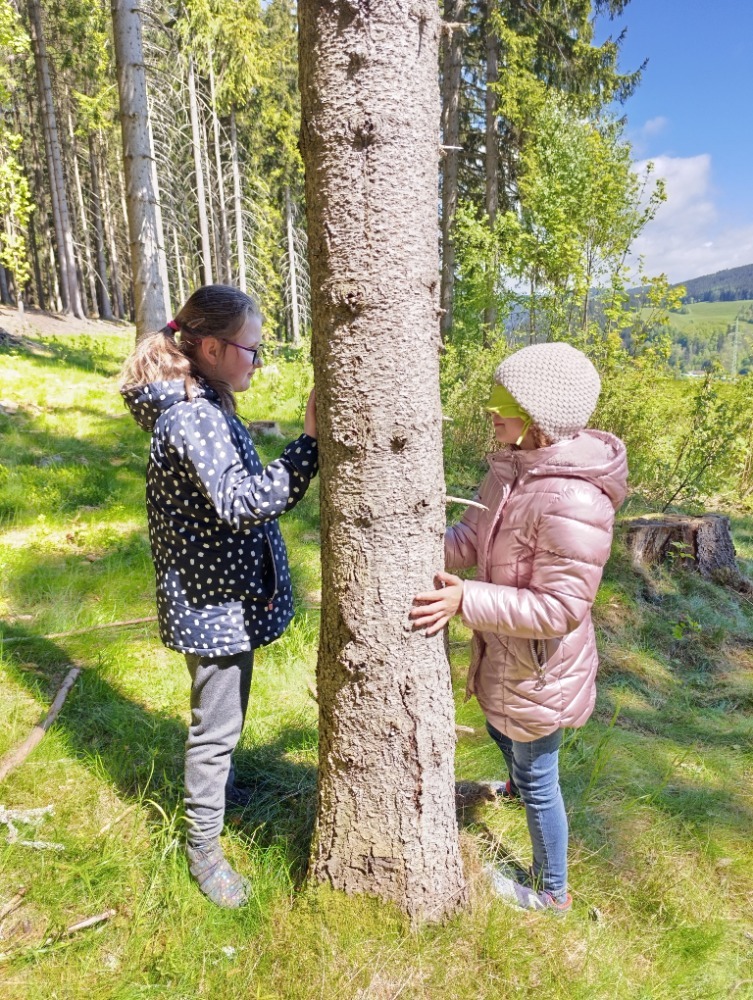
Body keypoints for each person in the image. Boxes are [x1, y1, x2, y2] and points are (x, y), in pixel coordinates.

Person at [410, 342, 627, 914]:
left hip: (541, 671)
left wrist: (466, 599)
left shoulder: (576, 499)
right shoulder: (510, 469)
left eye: (503, 401)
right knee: (501, 730)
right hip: (506, 655)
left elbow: (559, 608)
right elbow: (472, 538)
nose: (490, 410)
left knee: (539, 778)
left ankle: (552, 891)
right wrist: (413, 544)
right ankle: (510, 787)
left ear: (538, 414)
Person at [120, 284, 317, 908]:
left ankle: (221, 795)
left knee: (224, 718)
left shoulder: (202, 401)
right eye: (251, 349)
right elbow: (239, 501)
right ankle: (204, 849)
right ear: (210, 348)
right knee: (216, 730)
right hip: (213, 608)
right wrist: (308, 447)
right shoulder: (193, 416)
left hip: (219, 600)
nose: (258, 361)